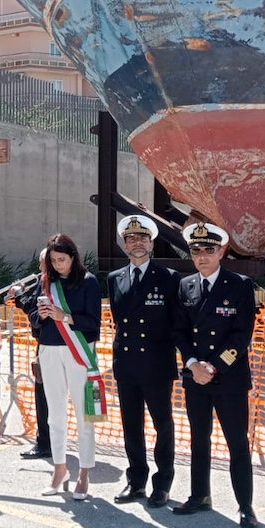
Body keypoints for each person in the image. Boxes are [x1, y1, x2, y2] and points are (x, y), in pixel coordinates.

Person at [173, 222, 259, 528]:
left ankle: (245, 505)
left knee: (237, 442)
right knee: (199, 439)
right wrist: (193, 364)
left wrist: (213, 367)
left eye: (208, 250)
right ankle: (200, 495)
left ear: (221, 252)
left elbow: (241, 334)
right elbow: (179, 330)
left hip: (229, 377)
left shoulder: (240, 285)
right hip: (195, 377)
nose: (202, 257)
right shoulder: (185, 286)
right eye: (196, 251)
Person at [108, 216, 182, 508]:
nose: (136, 243)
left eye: (142, 239)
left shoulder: (169, 277)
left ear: (151, 244)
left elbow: (177, 323)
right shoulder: (115, 278)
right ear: (124, 246)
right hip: (126, 362)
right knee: (131, 425)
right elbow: (118, 320)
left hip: (156, 363)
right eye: (130, 239)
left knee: (163, 425)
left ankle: (162, 484)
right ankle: (136, 481)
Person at [35, 232, 103, 501]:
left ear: (73, 257)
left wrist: (66, 317)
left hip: (78, 352)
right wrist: (41, 316)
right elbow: (32, 316)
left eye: (61, 260)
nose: (57, 265)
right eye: (53, 260)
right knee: (55, 415)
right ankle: (59, 468)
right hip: (49, 350)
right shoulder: (46, 281)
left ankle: (84, 472)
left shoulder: (88, 282)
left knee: (85, 414)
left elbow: (93, 323)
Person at [12, 251, 51, 461]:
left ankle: (45, 442)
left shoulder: (48, 282)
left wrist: (19, 295)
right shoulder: (45, 282)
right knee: (45, 396)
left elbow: (32, 309)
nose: (39, 266)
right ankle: (47, 441)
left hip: (48, 345)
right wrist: (20, 297)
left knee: (44, 397)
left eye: (41, 262)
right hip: (45, 344)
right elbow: (34, 309)